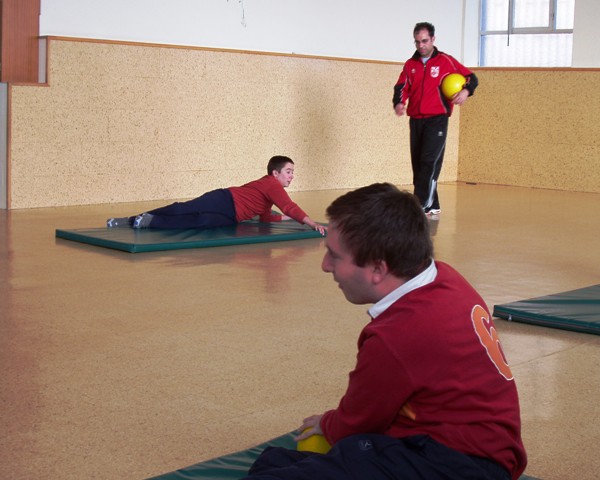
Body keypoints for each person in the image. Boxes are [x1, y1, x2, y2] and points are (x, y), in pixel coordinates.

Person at [244, 183, 527, 480]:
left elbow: (358, 420)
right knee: (276, 461)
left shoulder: (398, 334)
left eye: (335, 256)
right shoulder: (445, 277)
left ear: (378, 269)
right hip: (477, 452)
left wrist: (329, 424)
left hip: (456, 464)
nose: (326, 266)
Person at [106, 155, 325, 234]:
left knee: (199, 222)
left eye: (293, 172)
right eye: (289, 172)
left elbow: (267, 216)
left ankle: (149, 222)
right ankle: (131, 219)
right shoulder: (271, 184)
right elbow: (288, 206)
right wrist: (310, 222)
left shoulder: (270, 193)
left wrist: (288, 219)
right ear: (275, 173)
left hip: (231, 216)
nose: (291, 176)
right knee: (184, 208)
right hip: (224, 199)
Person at [393, 22, 479, 217]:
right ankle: (433, 204)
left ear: (433, 39)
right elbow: (401, 87)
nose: (421, 45)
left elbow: (472, 78)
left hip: (437, 119)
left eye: (424, 41)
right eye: (417, 42)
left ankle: (419, 205)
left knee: (429, 162)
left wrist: (466, 91)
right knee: (418, 163)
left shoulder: (446, 61)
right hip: (416, 119)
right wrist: (399, 103)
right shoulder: (410, 65)